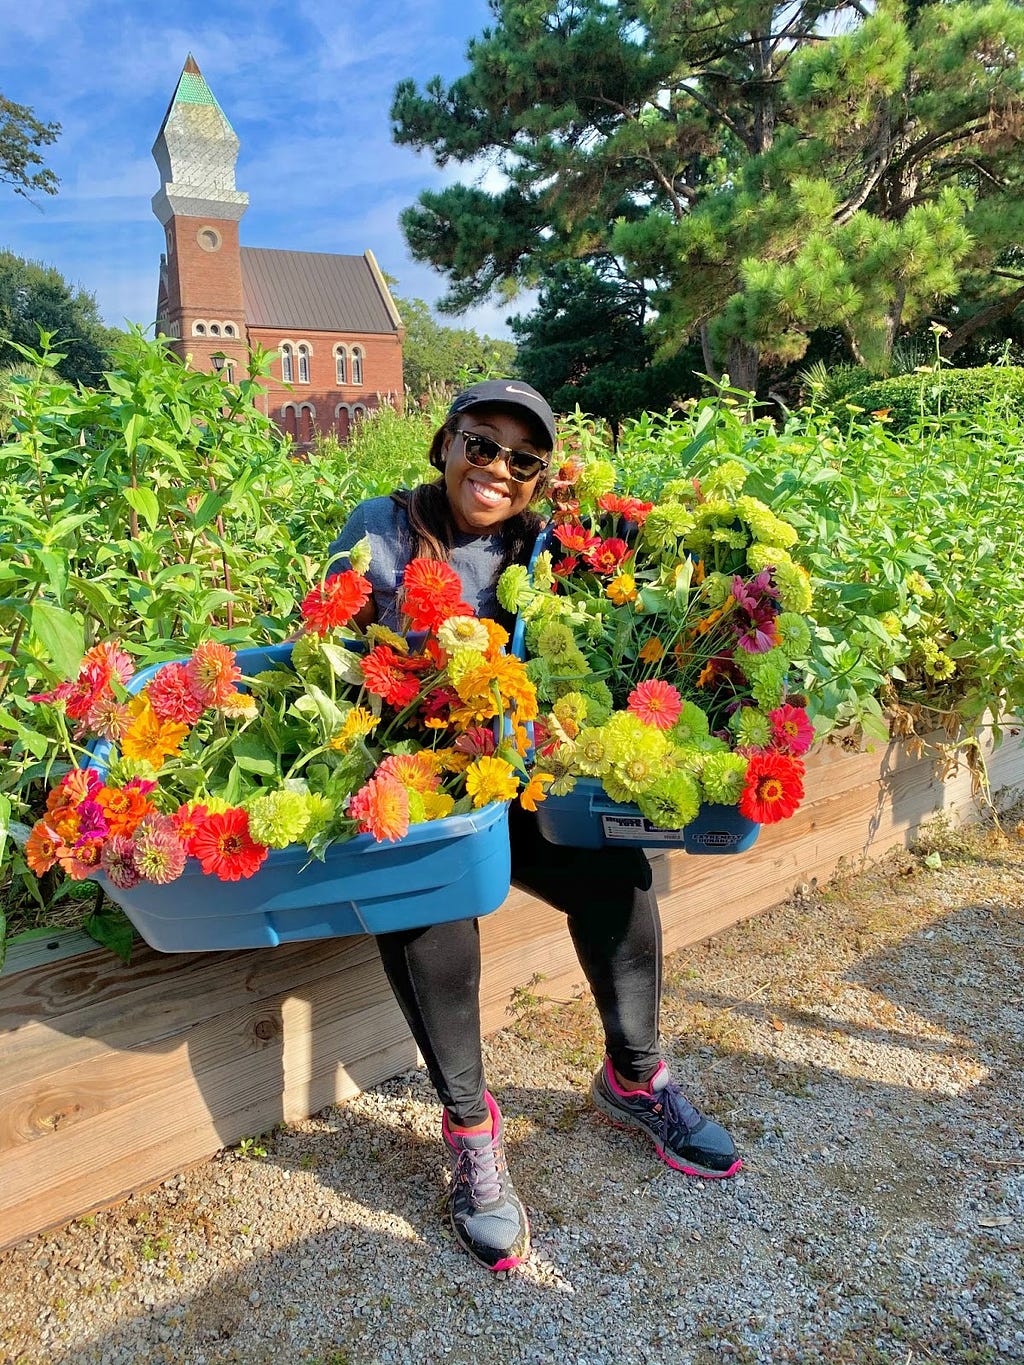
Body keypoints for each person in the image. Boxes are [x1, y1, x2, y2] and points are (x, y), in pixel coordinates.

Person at [328, 380, 741, 1273]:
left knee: (616, 874)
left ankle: (634, 1077)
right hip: (418, 778)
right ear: (445, 443)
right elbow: (330, 654)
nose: (498, 469)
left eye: (523, 460)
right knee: (431, 903)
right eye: (482, 445)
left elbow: (610, 618)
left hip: (516, 780)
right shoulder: (383, 526)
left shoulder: (543, 543)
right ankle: (472, 1130)